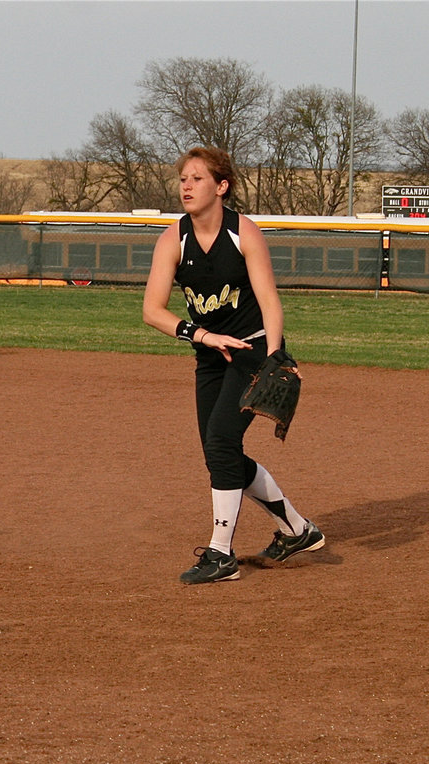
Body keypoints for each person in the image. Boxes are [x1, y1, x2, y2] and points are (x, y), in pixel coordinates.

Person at [142, 146, 324, 584]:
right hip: (210, 356)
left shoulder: (243, 233)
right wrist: (200, 335)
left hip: (251, 352)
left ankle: (220, 554)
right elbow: (152, 310)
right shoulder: (174, 239)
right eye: (183, 178)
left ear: (221, 187)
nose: (186, 185)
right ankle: (298, 530)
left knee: (221, 444)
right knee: (219, 454)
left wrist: (276, 357)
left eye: (197, 178)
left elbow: (269, 301)